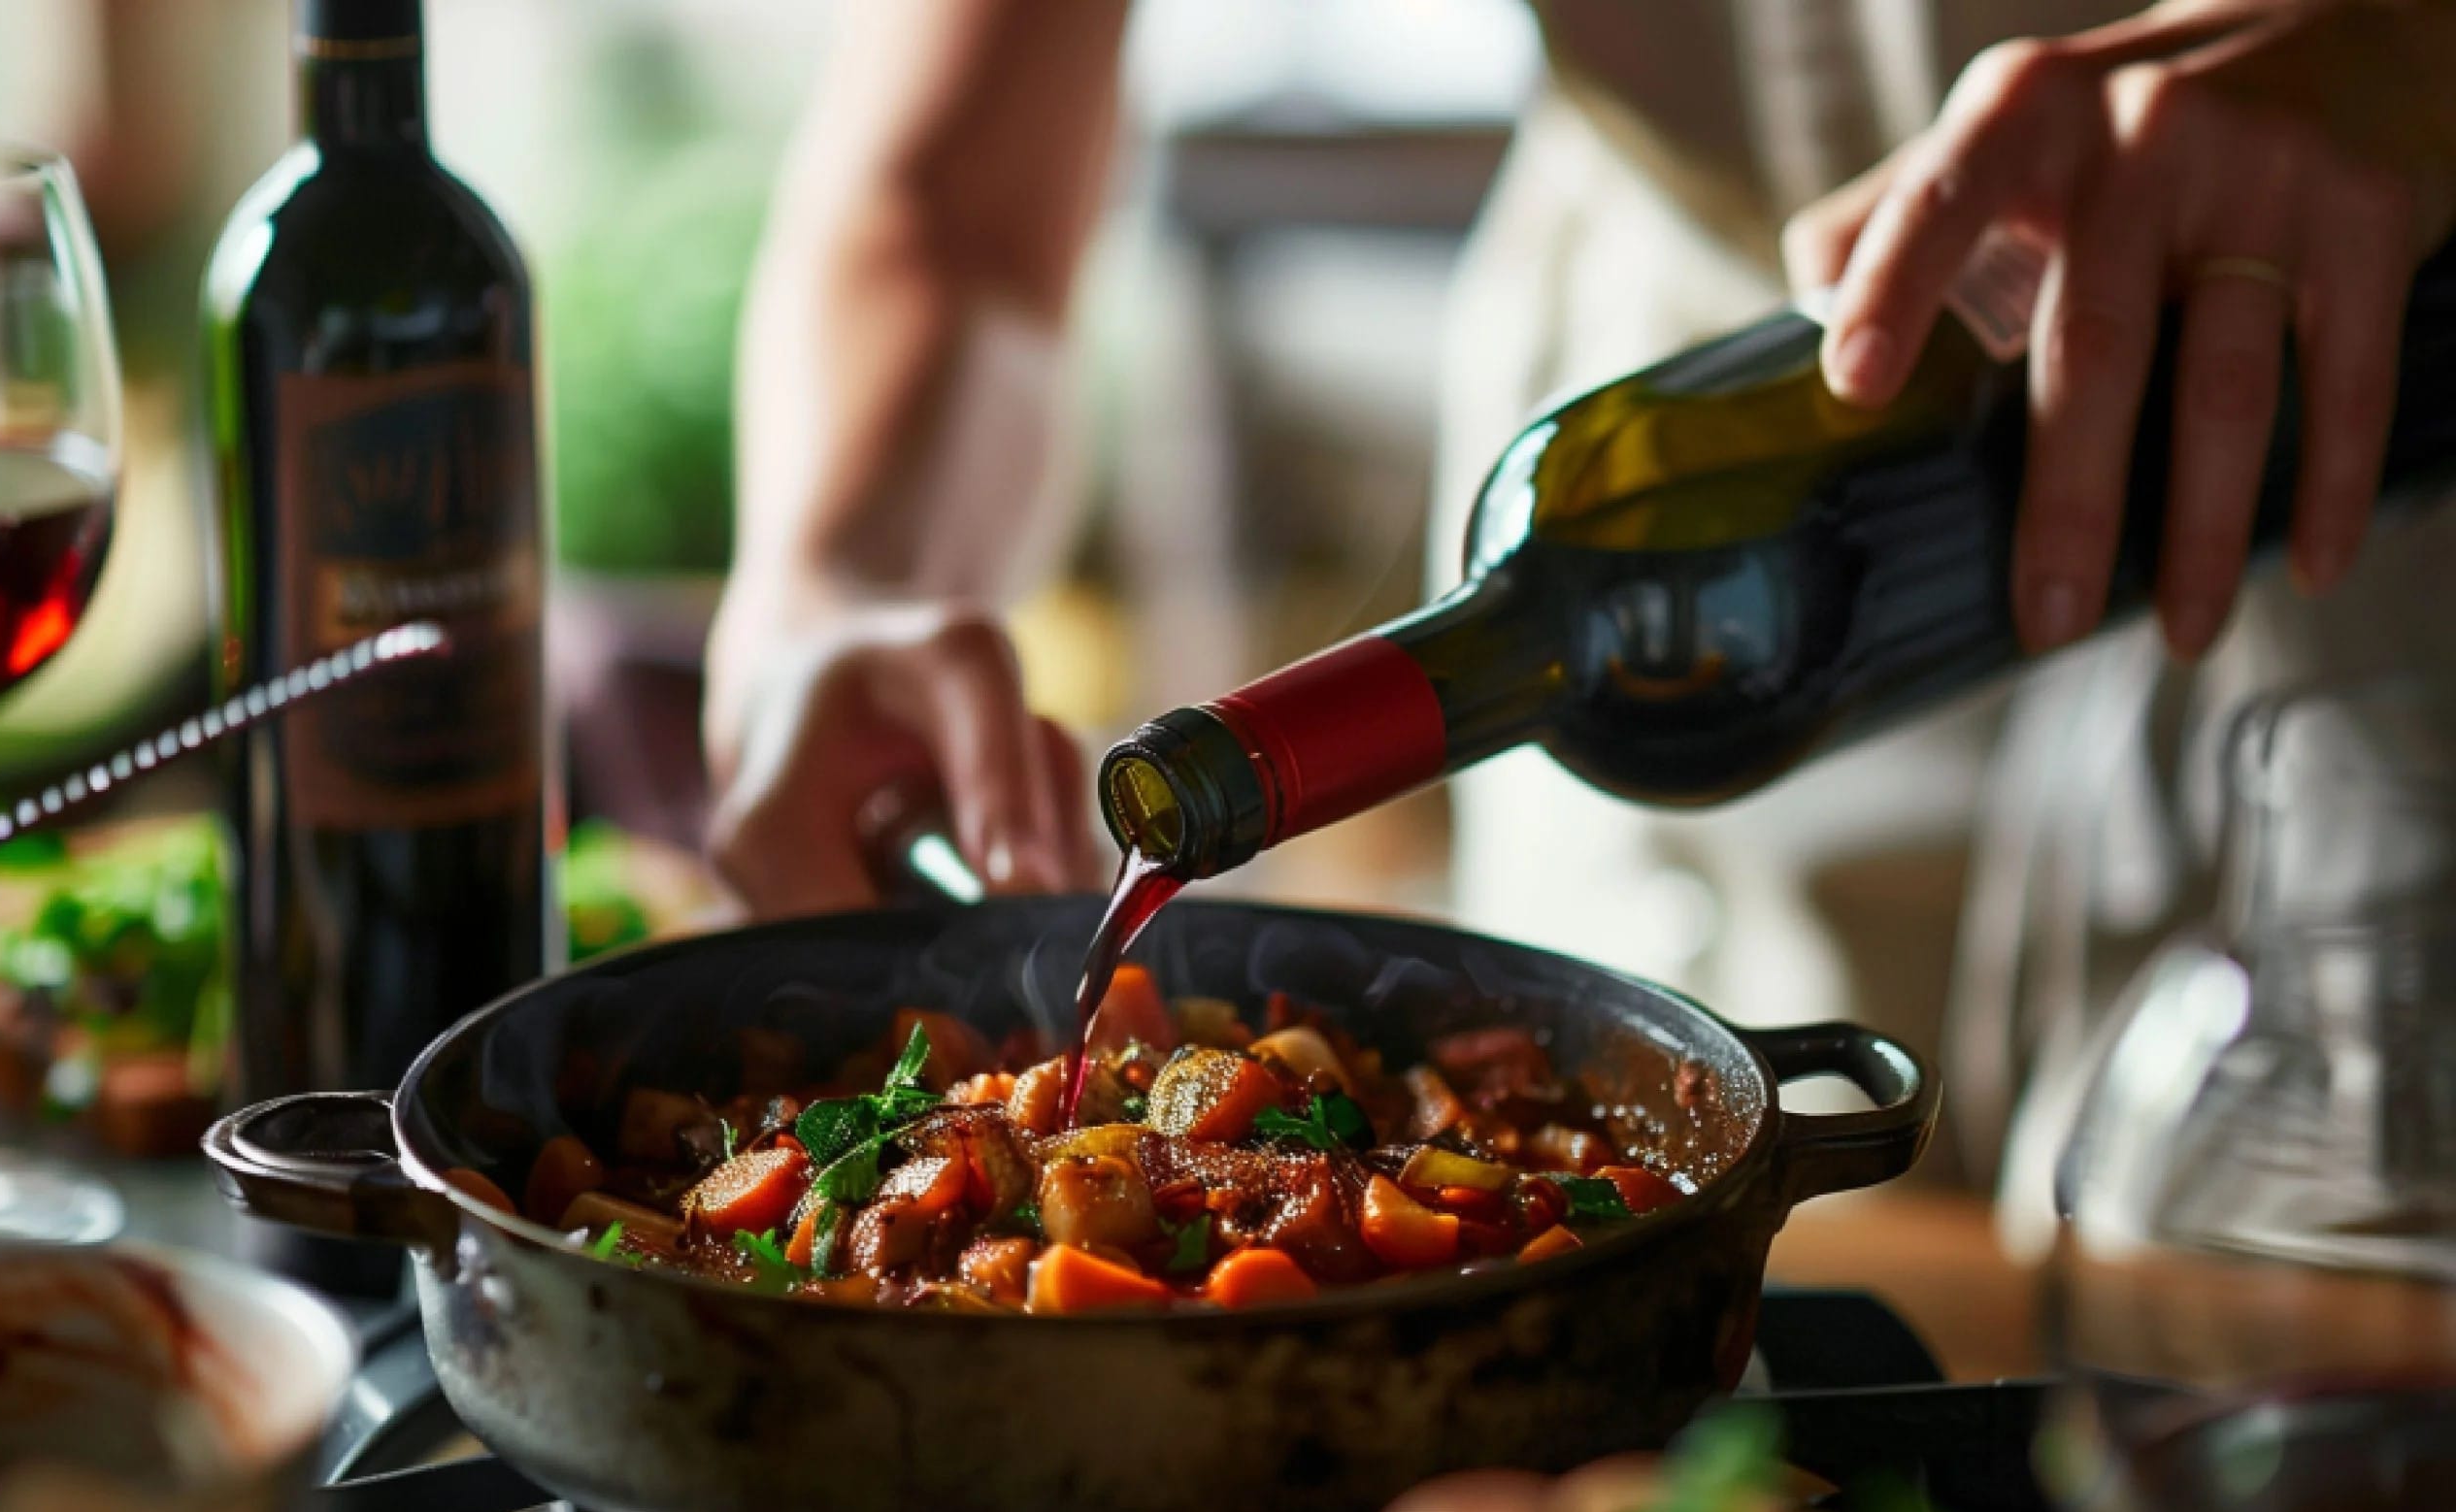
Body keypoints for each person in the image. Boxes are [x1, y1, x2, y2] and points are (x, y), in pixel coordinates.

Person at [705, 0, 2456, 1188]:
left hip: (2367, 538)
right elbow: (953, 200)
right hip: (1683, 448)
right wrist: (841, 576)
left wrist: (2387, 50)